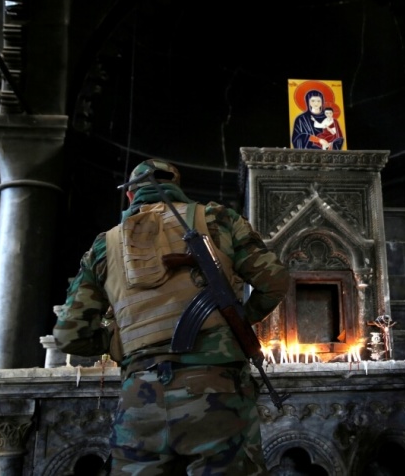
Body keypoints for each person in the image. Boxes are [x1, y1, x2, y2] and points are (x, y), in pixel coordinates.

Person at [54, 158, 291, 475]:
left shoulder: (104, 245)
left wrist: (119, 341)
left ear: (130, 195)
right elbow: (274, 282)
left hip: (141, 399)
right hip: (216, 394)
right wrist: (235, 321)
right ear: (177, 187)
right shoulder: (217, 219)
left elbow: (70, 334)